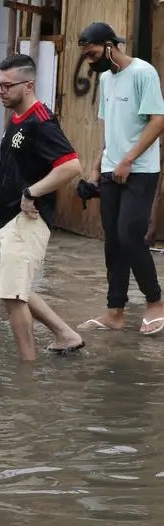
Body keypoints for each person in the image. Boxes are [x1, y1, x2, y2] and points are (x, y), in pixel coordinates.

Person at [0, 54, 85, 361]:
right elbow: (23, 166)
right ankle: (66, 335)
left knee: (13, 296)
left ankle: (26, 370)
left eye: (7, 85)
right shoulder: (17, 118)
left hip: (28, 219)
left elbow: (71, 166)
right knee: (12, 291)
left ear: (29, 85)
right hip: (8, 216)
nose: (0, 91)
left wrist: (31, 192)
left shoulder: (41, 121)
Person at [76, 22, 164, 335]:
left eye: (92, 53)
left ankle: (155, 303)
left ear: (110, 46)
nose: (89, 60)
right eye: (86, 55)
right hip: (111, 170)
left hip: (140, 171)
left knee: (129, 235)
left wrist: (128, 159)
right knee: (113, 241)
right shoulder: (105, 79)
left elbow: (158, 121)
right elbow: (110, 128)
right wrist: (96, 167)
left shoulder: (143, 72)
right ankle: (115, 312)